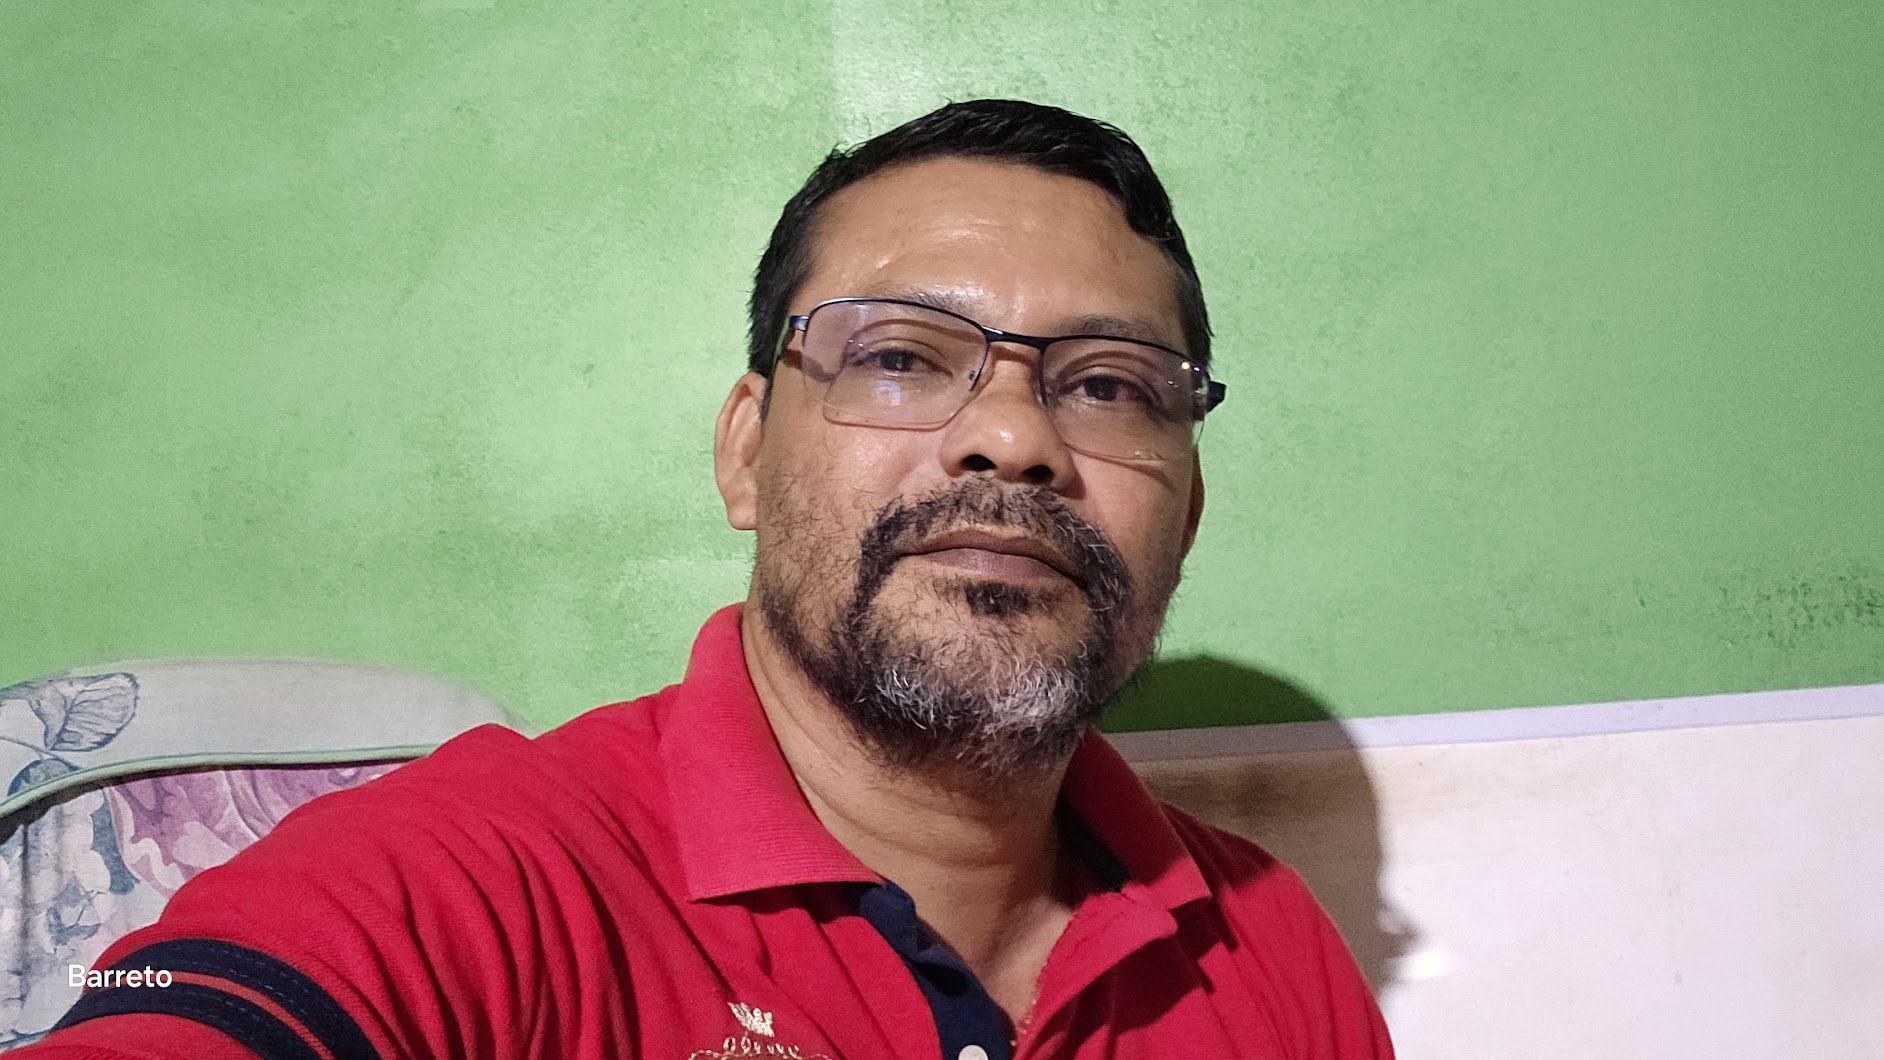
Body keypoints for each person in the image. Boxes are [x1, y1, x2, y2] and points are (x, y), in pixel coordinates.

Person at [19, 100, 1393, 1059]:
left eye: (1107, 385)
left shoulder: (1272, 953)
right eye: (901, 356)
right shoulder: (469, 883)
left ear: (1185, 512)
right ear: (746, 453)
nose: (1013, 436)